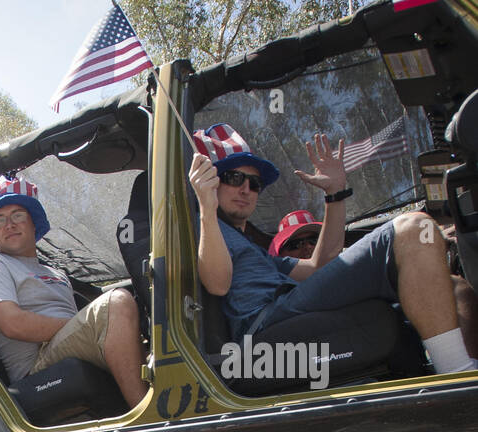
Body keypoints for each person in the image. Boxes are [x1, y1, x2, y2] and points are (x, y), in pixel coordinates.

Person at [188, 124, 478, 375]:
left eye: (254, 184)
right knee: (414, 228)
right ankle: (459, 379)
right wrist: (206, 205)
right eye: (234, 178)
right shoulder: (208, 229)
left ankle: (461, 368)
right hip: (266, 324)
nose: (246, 190)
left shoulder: (253, 252)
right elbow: (217, 283)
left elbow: (318, 266)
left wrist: (335, 194)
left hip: (287, 305)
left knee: (453, 286)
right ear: (211, 181)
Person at [0, 175, 148, 407]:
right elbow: (13, 324)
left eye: (18, 216)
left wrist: (91, 326)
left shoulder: (57, 274)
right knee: (117, 303)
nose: (9, 225)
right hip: (36, 365)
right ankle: (147, 412)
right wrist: (89, 326)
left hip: (66, 347)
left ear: (34, 223)